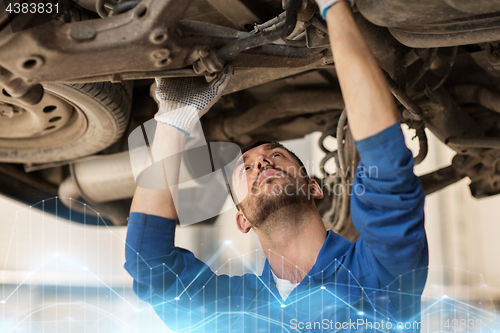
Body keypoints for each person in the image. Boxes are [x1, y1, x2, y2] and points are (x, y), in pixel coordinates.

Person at [124, 0, 428, 331]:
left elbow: (389, 173)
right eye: (245, 167)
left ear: (313, 187)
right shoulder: (235, 306)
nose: (261, 162)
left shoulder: (376, 276)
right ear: (242, 220)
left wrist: (334, 7)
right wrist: (175, 119)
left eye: (276, 154)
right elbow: (151, 269)